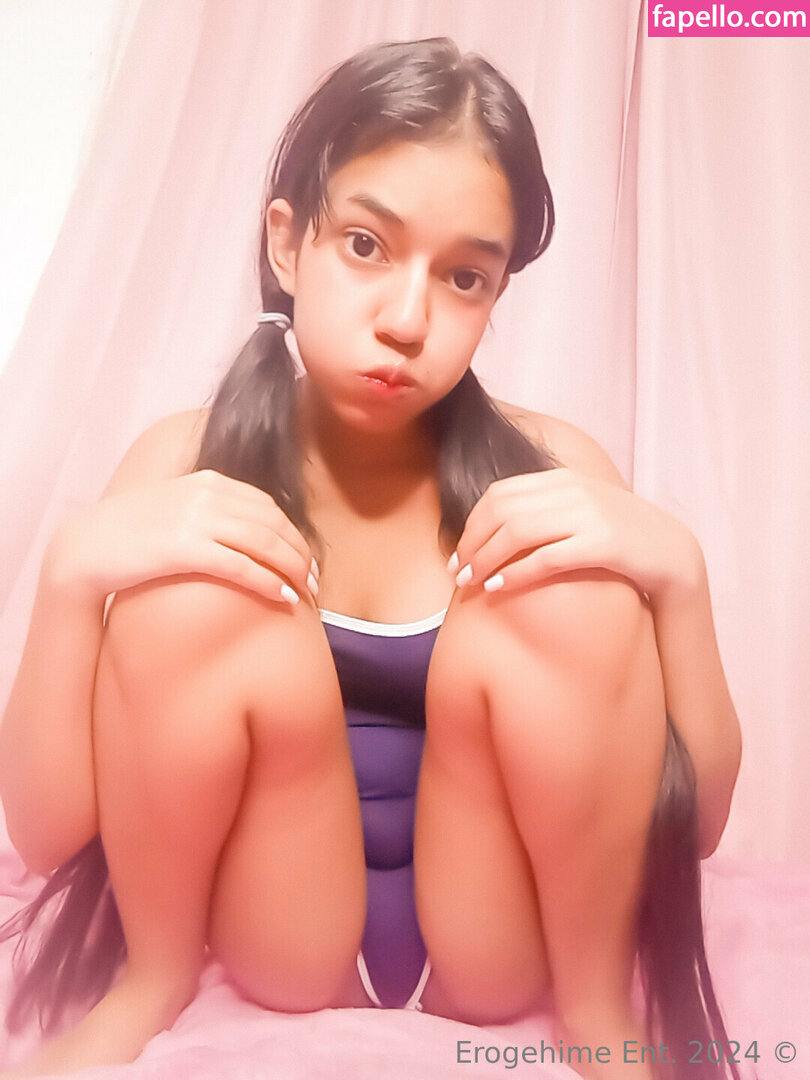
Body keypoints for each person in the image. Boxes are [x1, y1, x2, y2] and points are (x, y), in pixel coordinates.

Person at [0, 37, 743, 1080]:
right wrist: (71, 574)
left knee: (570, 589)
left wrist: (681, 574)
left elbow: (694, 828)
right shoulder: (184, 463)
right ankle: (151, 982)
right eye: (365, 245)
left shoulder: (554, 471)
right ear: (287, 243)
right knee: (190, 594)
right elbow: (46, 837)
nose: (405, 320)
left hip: (500, 942)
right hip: (285, 939)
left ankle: (593, 1012)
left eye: (464, 277)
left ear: (496, 295)